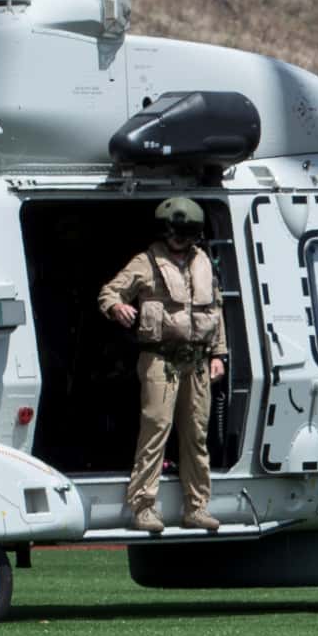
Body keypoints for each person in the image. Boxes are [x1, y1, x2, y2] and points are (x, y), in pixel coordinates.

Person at [98, 197, 227, 533]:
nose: (179, 241)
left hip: (197, 359)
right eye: (174, 233)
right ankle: (143, 506)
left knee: (196, 435)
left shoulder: (204, 263)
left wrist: (218, 355)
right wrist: (117, 308)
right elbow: (109, 293)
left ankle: (197, 507)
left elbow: (215, 311)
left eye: (185, 234)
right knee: (156, 429)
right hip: (160, 357)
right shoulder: (145, 262)